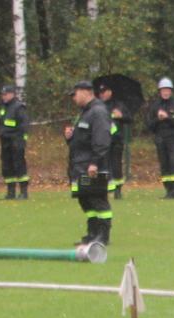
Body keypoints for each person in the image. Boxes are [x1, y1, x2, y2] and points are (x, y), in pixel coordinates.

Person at [63, 80, 113, 246]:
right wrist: (70, 137)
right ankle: (92, 234)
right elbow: (82, 140)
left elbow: (102, 140)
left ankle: (103, 236)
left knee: (97, 199)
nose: (73, 98)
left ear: (86, 92)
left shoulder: (98, 111)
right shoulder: (85, 112)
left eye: (75, 94)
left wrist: (95, 163)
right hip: (80, 165)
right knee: (86, 200)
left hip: (92, 166)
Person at [146, 78, 174, 199]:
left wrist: (168, 117)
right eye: (164, 90)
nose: (166, 92)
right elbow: (149, 125)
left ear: (171, 91)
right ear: (160, 91)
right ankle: (168, 191)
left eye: (168, 90)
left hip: (173, 139)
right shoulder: (155, 106)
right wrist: (158, 119)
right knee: (164, 165)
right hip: (160, 139)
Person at [95, 83, 130, 200]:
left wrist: (121, 116)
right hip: (102, 140)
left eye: (104, 92)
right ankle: (105, 189)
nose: (102, 94)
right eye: (100, 93)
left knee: (116, 165)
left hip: (116, 140)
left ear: (110, 91)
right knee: (103, 165)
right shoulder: (98, 105)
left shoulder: (118, 104)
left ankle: (118, 190)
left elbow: (129, 118)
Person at [0, 85, 30, 199]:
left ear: (12, 94)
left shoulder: (18, 107)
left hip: (16, 140)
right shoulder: (4, 107)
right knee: (7, 166)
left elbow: (24, 125)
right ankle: (10, 192)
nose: (4, 97)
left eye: (5, 94)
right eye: (2, 95)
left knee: (19, 165)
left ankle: (23, 192)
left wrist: (21, 141)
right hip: (5, 140)